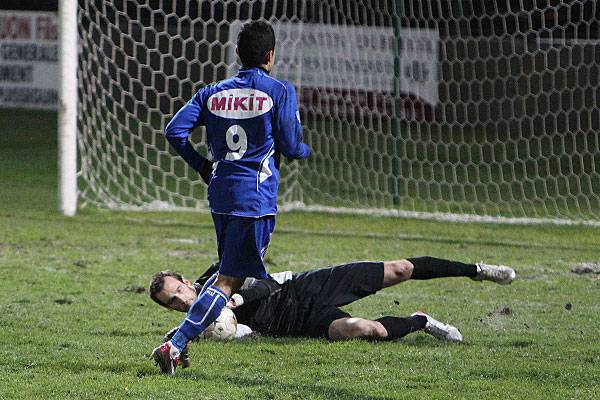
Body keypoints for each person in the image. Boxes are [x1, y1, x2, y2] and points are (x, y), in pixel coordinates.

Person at [153, 20, 310, 374]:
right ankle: (175, 343)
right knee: (229, 281)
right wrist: (303, 150)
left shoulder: (211, 92)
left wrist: (202, 166)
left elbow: (174, 130)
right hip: (254, 199)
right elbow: (290, 144)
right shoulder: (279, 90)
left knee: (229, 274)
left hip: (221, 193)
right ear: (270, 55)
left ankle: (181, 336)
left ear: (237, 53)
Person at [149, 257, 516, 369]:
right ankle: (422, 321)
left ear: (184, 279)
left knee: (400, 270)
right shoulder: (196, 323)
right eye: (172, 302)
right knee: (364, 329)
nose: (180, 300)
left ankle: (479, 270)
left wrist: (235, 302)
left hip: (306, 287)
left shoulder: (221, 274)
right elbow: (241, 335)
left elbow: (266, 283)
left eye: (178, 290)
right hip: (299, 324)